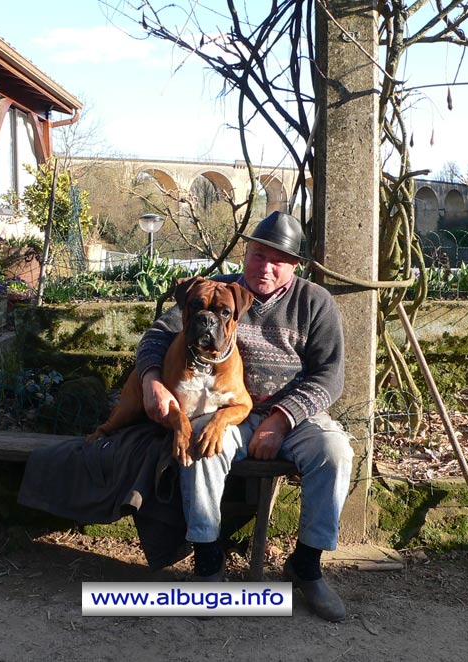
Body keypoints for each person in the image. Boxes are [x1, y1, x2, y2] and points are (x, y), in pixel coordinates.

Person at [136, 210, 354, 622]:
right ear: (245, 253)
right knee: (202, 448)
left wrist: (282, 418)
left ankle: (306, 565)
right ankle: (208, 562)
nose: (265, 267)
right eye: (257, 255)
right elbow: (159, 334)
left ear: (295, 266)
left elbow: (330, 377)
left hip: (297, 418)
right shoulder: (218, 293)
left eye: (278, 260)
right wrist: (151, 379)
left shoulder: (315, 302)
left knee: (336, 452)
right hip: (228, 412)